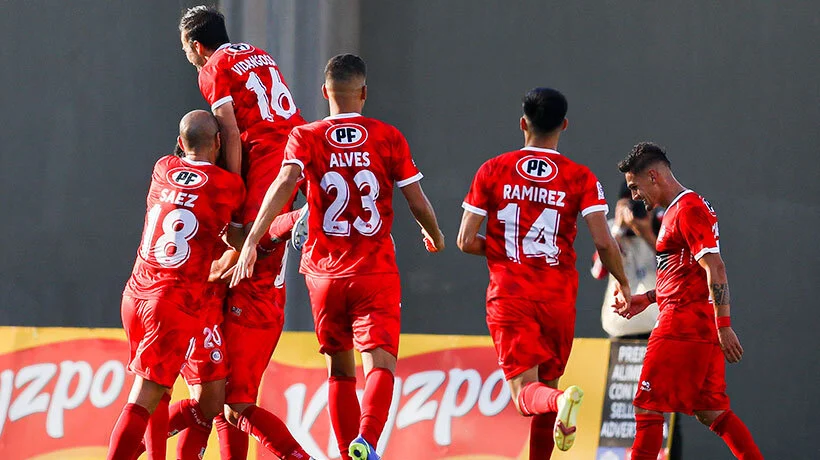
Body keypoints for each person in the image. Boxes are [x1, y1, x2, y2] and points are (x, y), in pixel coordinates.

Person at [230, 54, 445, 460]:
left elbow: (281, 186)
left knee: (340, 371)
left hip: (323, 274)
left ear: (324, 92)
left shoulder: (305, 136)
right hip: (373, 268)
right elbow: (416, 200)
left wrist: (252, 239)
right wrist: (433, 234)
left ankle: (349, 454)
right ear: (363, 93)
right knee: (380, 364)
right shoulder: (387, 136)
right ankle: (366, 440)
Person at [457, 87, 631, 458]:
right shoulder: (580, 177)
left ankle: (562, 399)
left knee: (528, 396)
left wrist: (504, 250)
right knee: (546, 399)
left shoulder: (493, 169)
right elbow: (603, 242)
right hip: (558, 297)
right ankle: (559, 399)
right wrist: (623, 282)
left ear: (523, 123)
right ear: (564, 125)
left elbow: (465, 239)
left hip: (511, 293)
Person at [170, 6, 312, 459]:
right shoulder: (258, 52)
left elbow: (230, 131)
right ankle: (294, 221)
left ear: (196, 46)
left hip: (268, 156)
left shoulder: (211, 69)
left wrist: (231, 186)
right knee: (229, 400)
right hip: (293, 149)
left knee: (250, 238)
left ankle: (294, 222)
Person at [106, 110, 245, 459]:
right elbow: (237, 231)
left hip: (135, 293)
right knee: (143, 396)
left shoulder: (163, 167)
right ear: (218, 143)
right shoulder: (227, 186)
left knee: (159, 393)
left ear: (181, 143)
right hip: (172, 302)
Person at [613, 142, 763, 459]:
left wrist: (725, 326)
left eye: (635, 187)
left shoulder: (688, 209)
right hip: (696, 324)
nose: (635, 197)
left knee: (646, 406)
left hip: (682, 326)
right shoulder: (678, 211)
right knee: (713, 412)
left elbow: (715, 266)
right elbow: (687, 273)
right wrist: (649, 297)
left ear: (653, 176)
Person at [593, 182, 661, 338]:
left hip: (655, 322)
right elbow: (598, 271)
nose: (636, 211)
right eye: (630, 205)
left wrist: (646, 233)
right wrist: (618, 230)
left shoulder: (661, 227)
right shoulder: (611, 231)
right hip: (620, 324)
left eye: (642, 203)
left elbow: (675, 264)